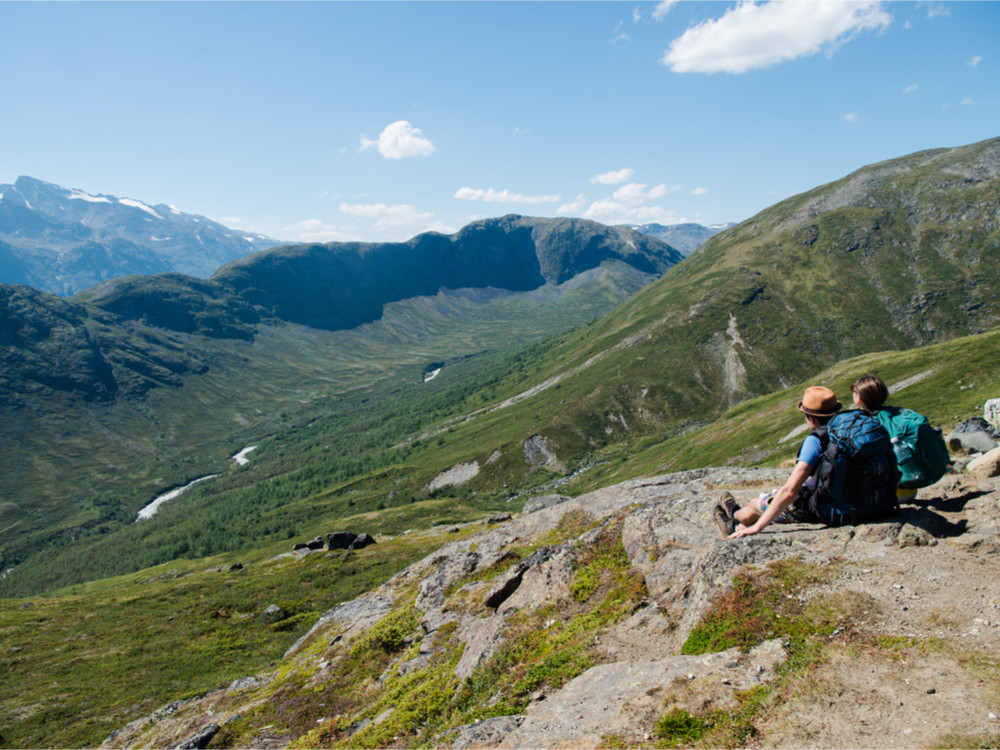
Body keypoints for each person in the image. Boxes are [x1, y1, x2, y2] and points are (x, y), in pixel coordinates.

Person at [714, 385, 843, 540]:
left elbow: (790, 492)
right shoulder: (847, 432)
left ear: (810, 417)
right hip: (849, 502)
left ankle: (733, 516)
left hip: (817, 507)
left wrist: (758, 527)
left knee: (757, 504)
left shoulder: (815, 441)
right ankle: (735, 521)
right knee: (769, 502)